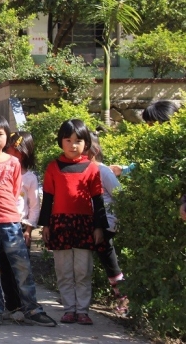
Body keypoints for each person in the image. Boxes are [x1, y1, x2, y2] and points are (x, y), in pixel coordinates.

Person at [0, 114, 56, 327]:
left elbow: (14, 191)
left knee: (22, 267)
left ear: (7, 137)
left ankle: (31, 308)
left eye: (0, 134)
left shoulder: (13, 162)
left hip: (11, 222)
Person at [38, 119, 108, 326]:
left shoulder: (92, 168)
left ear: (86, 143)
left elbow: (98, 200)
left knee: (83, 271)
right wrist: (46, 225)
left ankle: (83, 311)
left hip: (84, 225)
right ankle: (69, 309)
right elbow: (48, 199)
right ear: (61, 141)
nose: (73, 145)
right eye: (68, 140)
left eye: (78, 140)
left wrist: (98, 227)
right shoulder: (53, 167)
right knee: (64, 271)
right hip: (60, 224)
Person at [0, 131, 41, 319]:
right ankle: (12, 305)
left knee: (22, 269)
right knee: (5, 268)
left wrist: (29, 229)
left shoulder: (30, 178)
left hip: (21, 226)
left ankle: (27, 305)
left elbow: (34, 205)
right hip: (1, 223)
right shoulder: (1, 171)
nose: (14, 153)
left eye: (18, 150)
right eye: (11, 148)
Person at [87, 132, 128, 315]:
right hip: (89, 223)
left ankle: (123, 300)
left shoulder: (103, 171)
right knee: (86, 260)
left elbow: (120, 195)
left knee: (109, 261)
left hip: (105, 224)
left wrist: (112, 221)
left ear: (94, 150)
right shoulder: (83, 170)